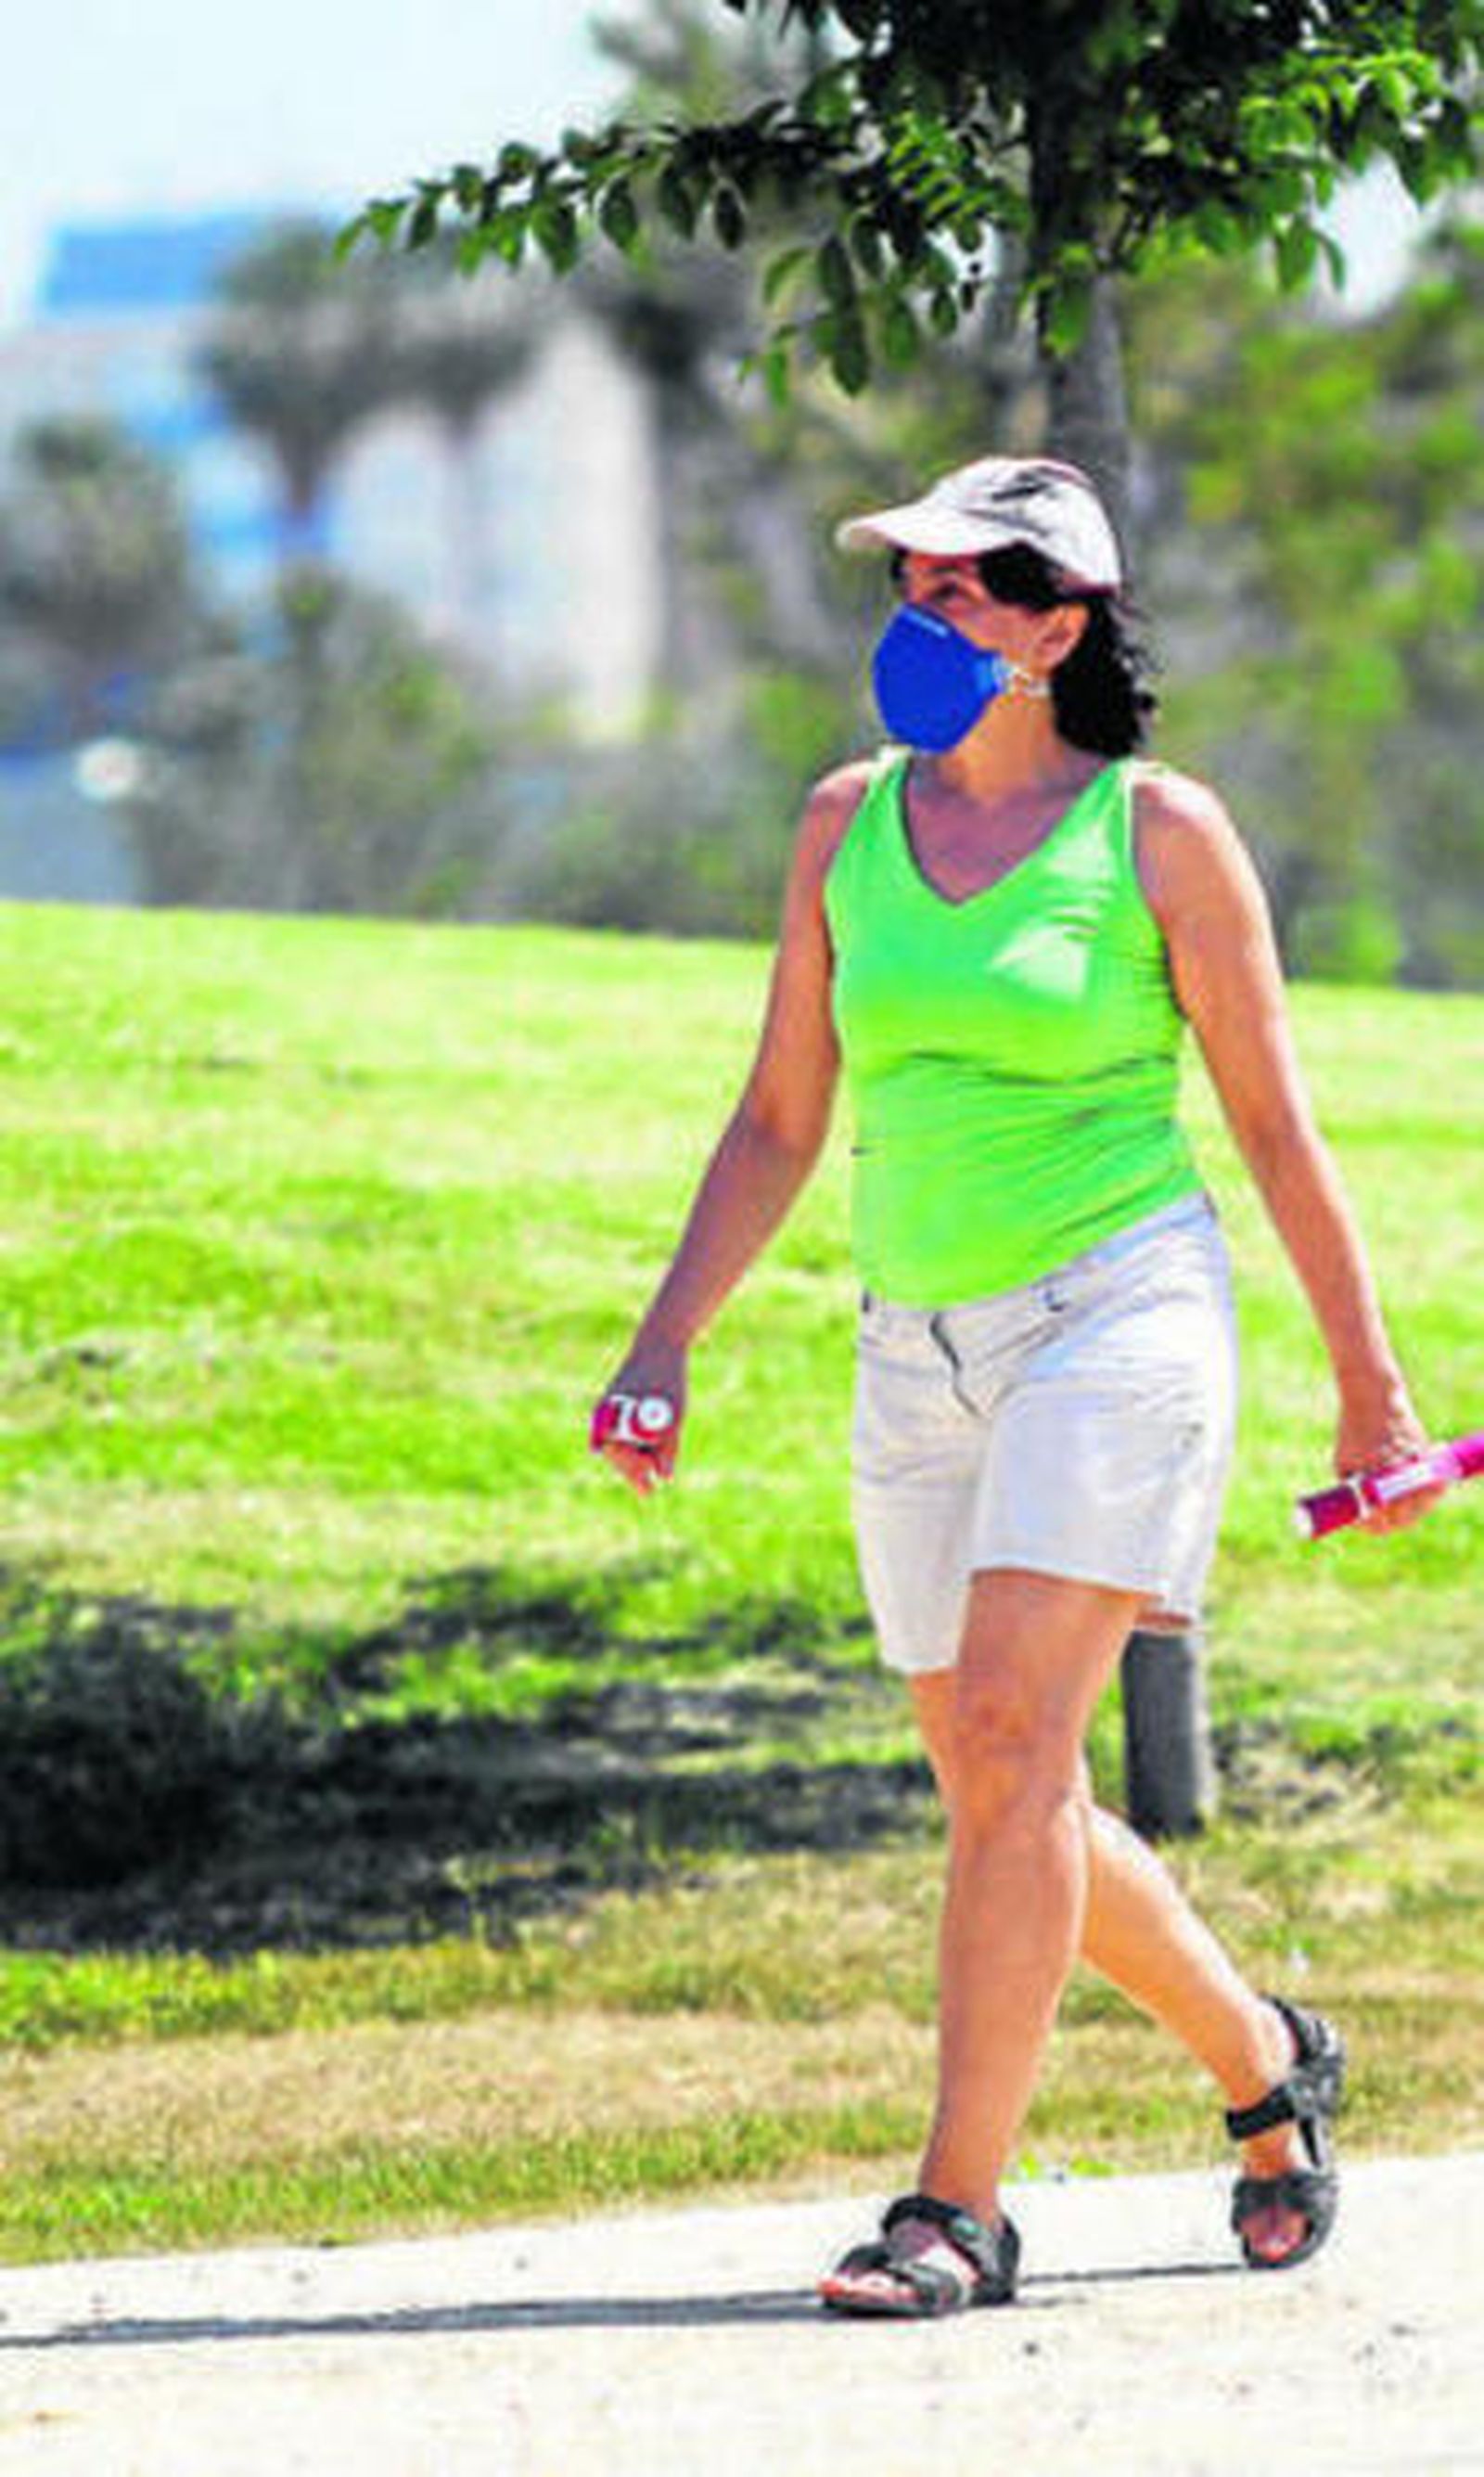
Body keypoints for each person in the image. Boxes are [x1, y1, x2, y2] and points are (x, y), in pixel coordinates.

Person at [589, 454, 1439, 2318]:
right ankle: (1264, 2063)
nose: (921, 613)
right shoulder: (844, 823)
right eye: (909, 584)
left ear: (1057, 627)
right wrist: (662, 1342)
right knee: (1000, 1780)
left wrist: (1369, 1390)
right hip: (914, 1340)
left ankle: (953, 2211)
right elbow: (779, 1114)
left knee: (1007, 1744)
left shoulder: (1158, 834)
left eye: (962, 586)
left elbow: (1273, 1128)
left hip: (1117, 1313)